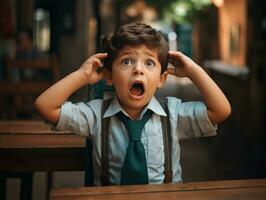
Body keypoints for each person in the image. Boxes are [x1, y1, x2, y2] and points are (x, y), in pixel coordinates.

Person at [35, 22, 231, 185]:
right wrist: (82, 75)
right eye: (127, 62)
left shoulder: (173, 114)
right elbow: (45, 106)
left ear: (162, 79)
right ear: (110, 76)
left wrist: (193, 71)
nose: (138, 70)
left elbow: (221, 110)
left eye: (149, 63)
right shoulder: (95, 115)